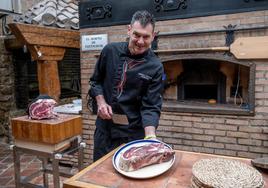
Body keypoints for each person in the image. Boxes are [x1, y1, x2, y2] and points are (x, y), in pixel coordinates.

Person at [89, 10, 164, 161]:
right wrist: (101, 102)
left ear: (153, 36)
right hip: (105, 130)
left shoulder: (156, 67)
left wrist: (150, 136)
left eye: (146, 37)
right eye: (137, 34)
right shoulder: (109, 51)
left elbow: (151, 106)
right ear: (129, 30)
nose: (141, 41)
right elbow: (95, 81)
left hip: (132, 135)